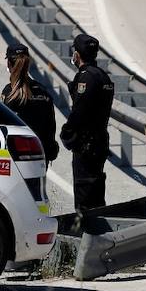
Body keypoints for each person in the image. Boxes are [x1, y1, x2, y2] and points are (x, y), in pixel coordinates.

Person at [59, 33, 114, 213]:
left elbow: (80, 111)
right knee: (96, 192)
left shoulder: (86, 77)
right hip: (100, 141)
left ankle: (89, 235)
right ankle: (99, 230)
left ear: (77, 54)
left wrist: (67, 133)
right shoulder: (102, 76)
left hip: (87, 144)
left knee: (85, 197)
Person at [0, 44, 59, 162]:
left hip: (15, 156)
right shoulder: (43, 91)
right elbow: (50, 126)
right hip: (39, 154)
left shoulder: (8, 93)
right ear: (28, 64)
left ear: (9, 64)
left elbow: (2, 128)